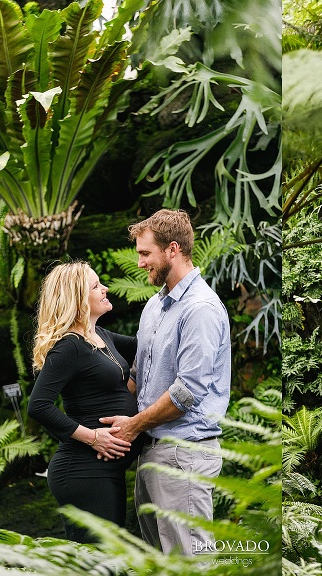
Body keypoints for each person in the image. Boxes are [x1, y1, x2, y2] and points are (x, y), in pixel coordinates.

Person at [99, 209, 231, 555]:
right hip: (152, 452)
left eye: (145, 254)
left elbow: (186, 392)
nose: (140, 263)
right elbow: (139, 377)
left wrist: (132, 426)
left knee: (189, 563)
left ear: (173, 249)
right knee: (161, 562)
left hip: (184, 454)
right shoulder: (155, 308)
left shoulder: (200, 309)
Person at [27, 261, 144, 543]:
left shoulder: (101, 336)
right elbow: (39, 405)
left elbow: (150, 345)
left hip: (105, 471)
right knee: (97, 564)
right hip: (83, 471)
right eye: (95, 286)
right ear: (78, 299)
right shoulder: (70, 346)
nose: (105, 289)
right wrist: (93, 438)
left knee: (109, 562)